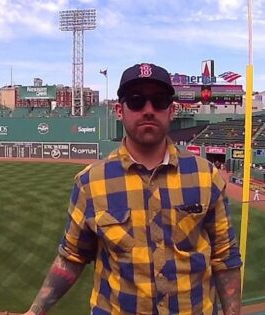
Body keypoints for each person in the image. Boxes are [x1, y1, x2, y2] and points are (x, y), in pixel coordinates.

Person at [22, 63, 242, 315]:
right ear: (120, 110)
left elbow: (225, 258)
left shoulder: (206, 176)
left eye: (158, 101)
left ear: (171, 111)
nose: (148, 110)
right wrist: (34, 311)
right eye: (136, 101)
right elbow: (72, 256)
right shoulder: (90, 182)